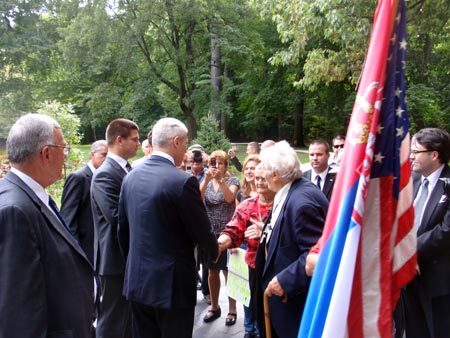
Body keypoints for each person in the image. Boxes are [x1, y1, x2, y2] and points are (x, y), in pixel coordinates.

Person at [117, 117, 218, 338]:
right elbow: (201, 231)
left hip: (137, 282)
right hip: (171, 287)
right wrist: (215, 249)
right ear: (175, 141)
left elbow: (122, 232)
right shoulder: (182, 181)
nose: (187, 152)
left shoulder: (130, 177)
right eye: (185, 144)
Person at [0, 114, 95, 338]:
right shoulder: (15, 210)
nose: (66, 156)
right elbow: (19, 314)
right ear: (47, 153)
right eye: (64, 148)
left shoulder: (30, 196)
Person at [255, 140, 328, 338]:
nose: (261, 173)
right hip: (282, 305)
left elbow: (317, 254)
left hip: (294, 307)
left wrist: (286, 280)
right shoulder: (291, 191)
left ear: (276, 174)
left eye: (265, 169)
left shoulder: (302, 202)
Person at [396, 127, 450, 338]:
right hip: (410, 277)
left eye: (416, 152)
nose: (410, 157)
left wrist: (411, 251)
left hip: (437, 281)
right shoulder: (413, 181)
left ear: (434, 155)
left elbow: (446, 231)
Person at [91, 118, 140, 338]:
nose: (138, 144)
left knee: (127, 319)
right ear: (119, 140)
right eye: (135, 139)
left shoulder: (127, 169)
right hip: (113, 261)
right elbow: (116, 216)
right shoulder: (105, 174)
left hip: (126, 258)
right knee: (112, 320)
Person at [218, 163, 275, 338]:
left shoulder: (284, 202)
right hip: (254, 266)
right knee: (259, 309)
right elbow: (233, 229)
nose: (259, 182)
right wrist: (218, 245)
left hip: (278, 266)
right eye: (256, 178)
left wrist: (265, 233)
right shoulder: (247, 205)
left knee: (278, 314)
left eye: (263, 178)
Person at [200, 150, 240, 325]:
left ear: (225, 165)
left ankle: (232, 309)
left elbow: (230, 198)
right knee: (211, 272)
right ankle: (214, 307)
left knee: (228, 272)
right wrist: (207, 180)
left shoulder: (232, 180)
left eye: (220, 163)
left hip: (227, 234)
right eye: (213, 163)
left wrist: (220, 180)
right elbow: (197, 198)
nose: (216, 167)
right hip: (210, 233)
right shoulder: (206, 181)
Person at [60, 139, 108, 263]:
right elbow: (68, 217)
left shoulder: (106, 177)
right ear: (92, 154)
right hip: (85, 247)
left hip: (102, 247)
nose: (107, 159)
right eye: (104, 155)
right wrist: (75, 252)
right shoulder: (78, 178)